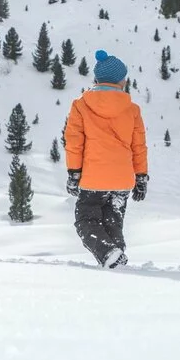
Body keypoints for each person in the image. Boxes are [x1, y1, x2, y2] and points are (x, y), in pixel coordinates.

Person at [64, 50, 148, 269]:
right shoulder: (132, 110)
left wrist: (74, 173)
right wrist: (141, 176)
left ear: (97, 79)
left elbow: (74, 142)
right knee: (113, 223)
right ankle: (118, 262)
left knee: (86, 221)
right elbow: (138, 146)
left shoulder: (81, 105)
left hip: (93, 179)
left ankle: (110, 254)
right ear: (122, 81)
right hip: (121, 180)